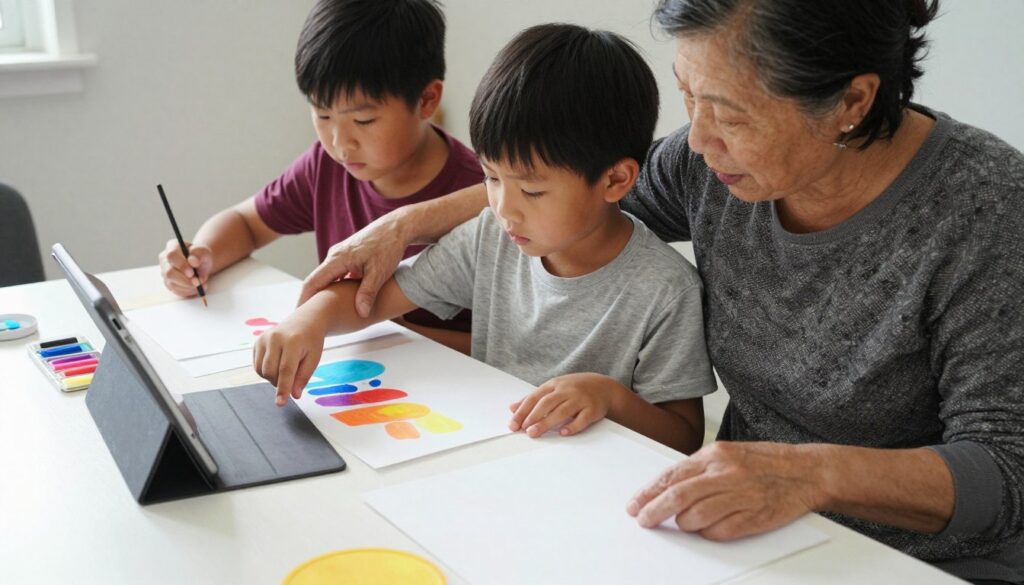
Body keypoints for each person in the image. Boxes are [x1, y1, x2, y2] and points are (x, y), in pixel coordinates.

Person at [294, 1, 1024, 582]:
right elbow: (571, 197)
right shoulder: (713, 170)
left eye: (730, 113)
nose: (697, 139)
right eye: (687, 96)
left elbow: (1006, 467)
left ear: (851, 101)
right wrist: (405, 224)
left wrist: (813, 472)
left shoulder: (987, 209)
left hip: (922, 562)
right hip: (733, 527)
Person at [255, 23, 717, 454]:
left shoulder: (665, 288)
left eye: (532, 191)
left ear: (615, 180)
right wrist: (310, 320)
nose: (503, 208)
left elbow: (684, 436)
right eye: (491, 178)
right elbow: (372, 298)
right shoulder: (491, 239)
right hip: (488, 455)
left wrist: (609, 397)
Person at [157, 0, 479, 354]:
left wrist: (385, 326)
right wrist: (202, 257)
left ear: (427, 99)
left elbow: (503, 347)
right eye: (323, 115)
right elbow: (247, 223)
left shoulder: (482, 196)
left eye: (364, 121)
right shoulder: (326, 166)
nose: (340, 143)